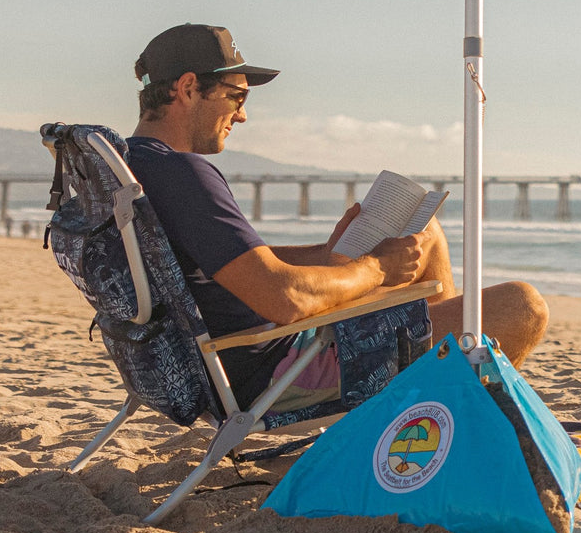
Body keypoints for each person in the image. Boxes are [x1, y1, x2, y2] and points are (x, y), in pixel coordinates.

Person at [125, 23, 549, 408]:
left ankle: (425, 380)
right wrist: (378, 267)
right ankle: (426, 407)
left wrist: (326, 252)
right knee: (523, 306)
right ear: (186, 88)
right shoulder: (184, 175)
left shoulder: (134, 168)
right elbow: (287, 299)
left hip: (244, 353)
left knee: (426, 232)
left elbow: (225, 262)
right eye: (237, 97)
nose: (242, 114)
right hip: (282, 367)